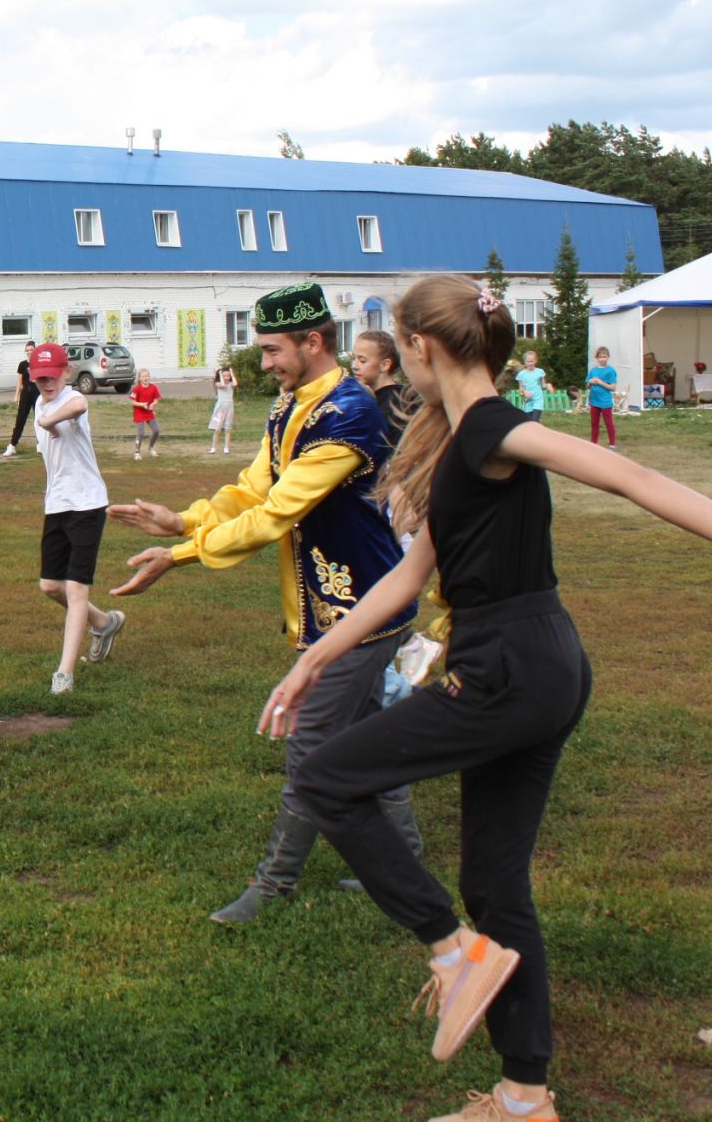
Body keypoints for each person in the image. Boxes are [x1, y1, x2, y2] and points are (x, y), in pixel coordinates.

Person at [264, 276, 712, 1122]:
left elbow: (622, 473)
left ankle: (452, 957)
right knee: (494, 883)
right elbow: (410, 576)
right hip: (538, 662)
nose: (400, 360)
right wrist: (316, 661)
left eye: (400, 345)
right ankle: (523, 1100)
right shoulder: (457, 439)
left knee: (330, 778)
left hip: (509, 667)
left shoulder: (494, 426)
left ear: (424, 348)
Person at [110, 282, 422, 926]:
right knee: (370, 740)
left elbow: (281, 511)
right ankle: (400, 868)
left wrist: (182, 555)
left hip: (361, 611)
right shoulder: (293, 406)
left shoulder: (347, 413)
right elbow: (254, 487)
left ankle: (273, 886)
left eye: (274, 350)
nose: (266, 364)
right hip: (335, 606)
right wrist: (183, 521)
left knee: (308, 744)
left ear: (314, 342)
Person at [22, 344, 125, 694]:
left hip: (88, 504)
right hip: (58, 505)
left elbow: (80, 404)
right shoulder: (39, 401)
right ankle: (105, 622)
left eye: (52, 376)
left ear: (66, 372)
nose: (47, 383)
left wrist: (51, 420)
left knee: (77, 588)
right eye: (40, 378)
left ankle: (63, 674)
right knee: (50, 586)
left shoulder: (70, 400)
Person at [353, 331, 409, 449]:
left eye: (362, 360)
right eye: (354, 359)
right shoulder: (370, 399)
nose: (355, 366)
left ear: (385, 365)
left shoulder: (395, 406)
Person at [3, 341, 39, 457]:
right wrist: (16, 395)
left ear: (35, 350)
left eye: (31, 350)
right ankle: (12, 445)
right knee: (20, 420)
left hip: (38, 394)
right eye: (27, 350)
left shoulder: (39, 363)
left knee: (39, 420)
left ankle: (41, 444)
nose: (29, 352)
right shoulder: (22, 364)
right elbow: (19, 381)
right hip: (25, 394)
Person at [585, 346, 619, 451]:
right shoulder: (593, 370)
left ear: (608, 357)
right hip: (594, 401)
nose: (602, 359)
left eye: (604, 357)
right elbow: (587, 386)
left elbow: (613, 387)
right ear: (597, 358)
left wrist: (601, 382)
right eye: (600, 357)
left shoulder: (610, 371)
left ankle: (612, 444)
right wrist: (590, 382)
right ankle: (593, 444)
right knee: (594, 423)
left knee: (608, 422)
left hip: (605, 401)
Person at [130, 369, 161, 460]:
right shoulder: (137, 389)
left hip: (149, 412)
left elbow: (157, 399)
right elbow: (133, 401)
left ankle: (150, 448)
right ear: (139, 378)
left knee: (156, 430)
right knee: (141, 432)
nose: (145, 378)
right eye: (143, 376)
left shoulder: (153, 387)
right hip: (139, 412)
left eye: (147, 376)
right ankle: (137, 453)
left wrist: (152, 404)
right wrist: (142, 404)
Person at [208, 365, 238, 454]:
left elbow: (235, 383)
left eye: (227, 376)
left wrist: (232, 374)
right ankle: (213, 448)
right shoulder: (217, 384)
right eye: (224, 376)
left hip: (229, 407)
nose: (226, 377)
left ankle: (226, 448)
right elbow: (222, 384)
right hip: (220, 408)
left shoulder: (231, 384)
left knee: (228, 429)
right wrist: (221, 375)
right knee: (217, 429)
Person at [514, 351, 552, 418]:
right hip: (527, 401)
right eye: (528, 361)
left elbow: (543, 385)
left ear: (536, 361)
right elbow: (520, 390)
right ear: (525, 362)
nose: (530, 363)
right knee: (529, 422)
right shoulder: (521, 374)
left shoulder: (540, 372)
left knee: (535, 421)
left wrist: (548, 385)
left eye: (532, 361)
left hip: (538, 400)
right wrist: (524, 393)